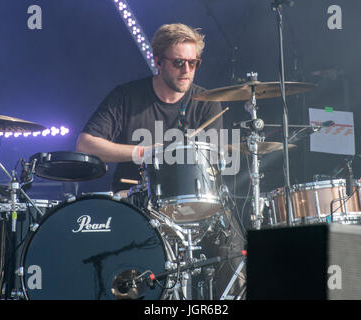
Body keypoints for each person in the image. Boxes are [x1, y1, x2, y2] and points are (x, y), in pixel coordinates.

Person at [76, 23, 245, 300]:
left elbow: (212, 162)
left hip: (196, 206)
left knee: (233, 242)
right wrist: (142, 152)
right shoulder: (126, 97)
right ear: (158, 61)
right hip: (137, 202)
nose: (187, 70)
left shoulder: (206, 102)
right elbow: (85, 144)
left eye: (193, 63)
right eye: (179, 62)